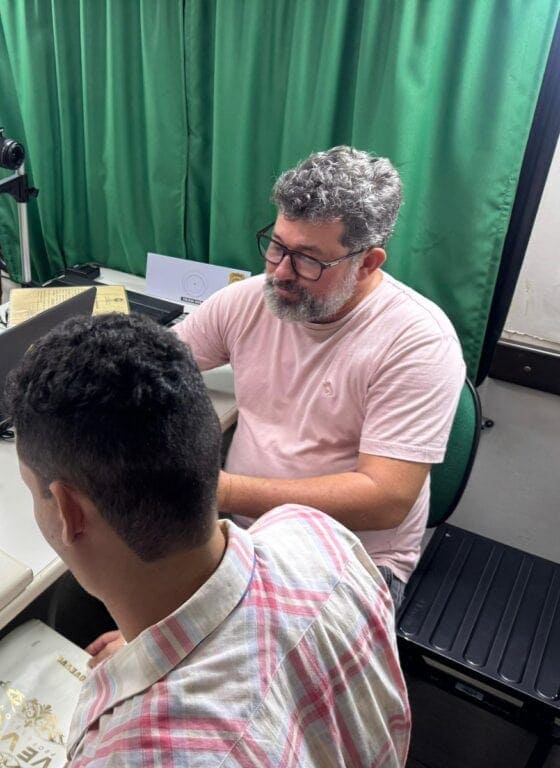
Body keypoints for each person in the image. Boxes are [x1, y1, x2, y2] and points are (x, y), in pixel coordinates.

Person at [3, 313, 411, 766]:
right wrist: (152, 646)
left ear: (68, 512)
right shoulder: (315, 534)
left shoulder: (132, 754)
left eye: (29, 490)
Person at [175, 146, 465, 604]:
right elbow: (161, 360)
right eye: (277, 246)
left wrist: (221, 490)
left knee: (222, 661)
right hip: (244, 535)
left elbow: (385, 498)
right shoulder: (251, 299)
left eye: (309, 259)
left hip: (347, 558)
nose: (281, 273)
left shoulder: (418, 341)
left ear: (367, 263)